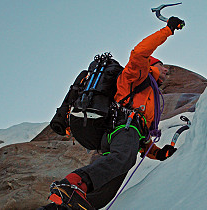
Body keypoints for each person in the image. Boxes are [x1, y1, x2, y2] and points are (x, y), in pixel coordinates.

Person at [40, 16, 184, 210]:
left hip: (124, 133)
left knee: (111, 183)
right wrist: (168, 30)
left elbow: (142, 138)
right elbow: (140, 52)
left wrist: (158, 153)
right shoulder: (135, 76)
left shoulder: (150, 96)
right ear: (150, 65)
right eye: (161, 65)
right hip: (122, 128)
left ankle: (65, 207)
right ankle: (72, 183)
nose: (166, 70)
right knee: (123, 159)